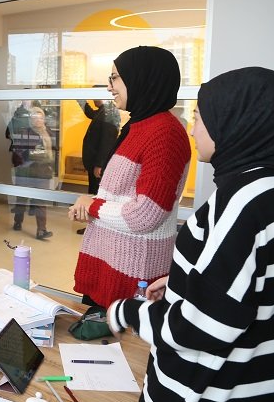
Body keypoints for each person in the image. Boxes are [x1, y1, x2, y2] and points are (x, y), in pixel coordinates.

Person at [107, 67, 274, 402]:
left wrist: (126, 311)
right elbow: (256, 281)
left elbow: (197, 330)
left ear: (234, 123)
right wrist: (183, 282)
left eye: (199, 118)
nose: (193, 130)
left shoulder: (244, 202)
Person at [69, 46, 191, 309]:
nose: (109, 86)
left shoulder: (165, 134)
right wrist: (91, 203)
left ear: (141, 78)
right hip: (111, 261)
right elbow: (121, 194)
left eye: (114, 77)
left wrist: (92, 205)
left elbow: (145, 214)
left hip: (133, 273)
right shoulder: (140, 125)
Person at [9, 105, 56, 239]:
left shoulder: (49, 132)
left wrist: (51, 164)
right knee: (21, 199)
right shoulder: (25, 133)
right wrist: (31, 157)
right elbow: (18, 153)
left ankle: (41, 230)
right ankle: (18, 222)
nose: (38, 120)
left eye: (40, 117)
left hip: (43, 171)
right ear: (30, 119)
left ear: (44, 119)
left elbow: (54, 150)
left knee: (40, 201)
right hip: (27, 172)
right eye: (34, 118)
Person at [76, 96, 121, 234]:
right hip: (95, 163)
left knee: (97, 194)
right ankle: (93, 226)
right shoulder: (104, 110)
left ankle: (96, 227)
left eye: (93, 97)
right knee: (93, 192)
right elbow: (91, 114)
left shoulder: (109, 112)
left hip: (99, 164)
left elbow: (107, 141)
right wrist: (80, 100)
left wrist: (99, 165)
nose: (93, 101)